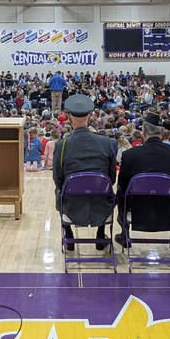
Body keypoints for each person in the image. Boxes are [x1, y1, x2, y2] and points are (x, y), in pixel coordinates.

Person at [53, 94, 117, 251]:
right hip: (101, 204)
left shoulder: (62, 145)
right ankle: (101, 234)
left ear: (69, 119)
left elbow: (58, 179)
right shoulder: (105, 142)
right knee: (104, 187)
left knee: (58, 189)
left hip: (72, 204)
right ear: (90, 117)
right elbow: (112, 177)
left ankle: (68, 235)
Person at [114, 111, 170, 248]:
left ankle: (124, 234)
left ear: (143, 132)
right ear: (162, 132)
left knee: (121, 192)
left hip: (137, 207)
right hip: (169, 207)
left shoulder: (130, 155)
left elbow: (122, 183)